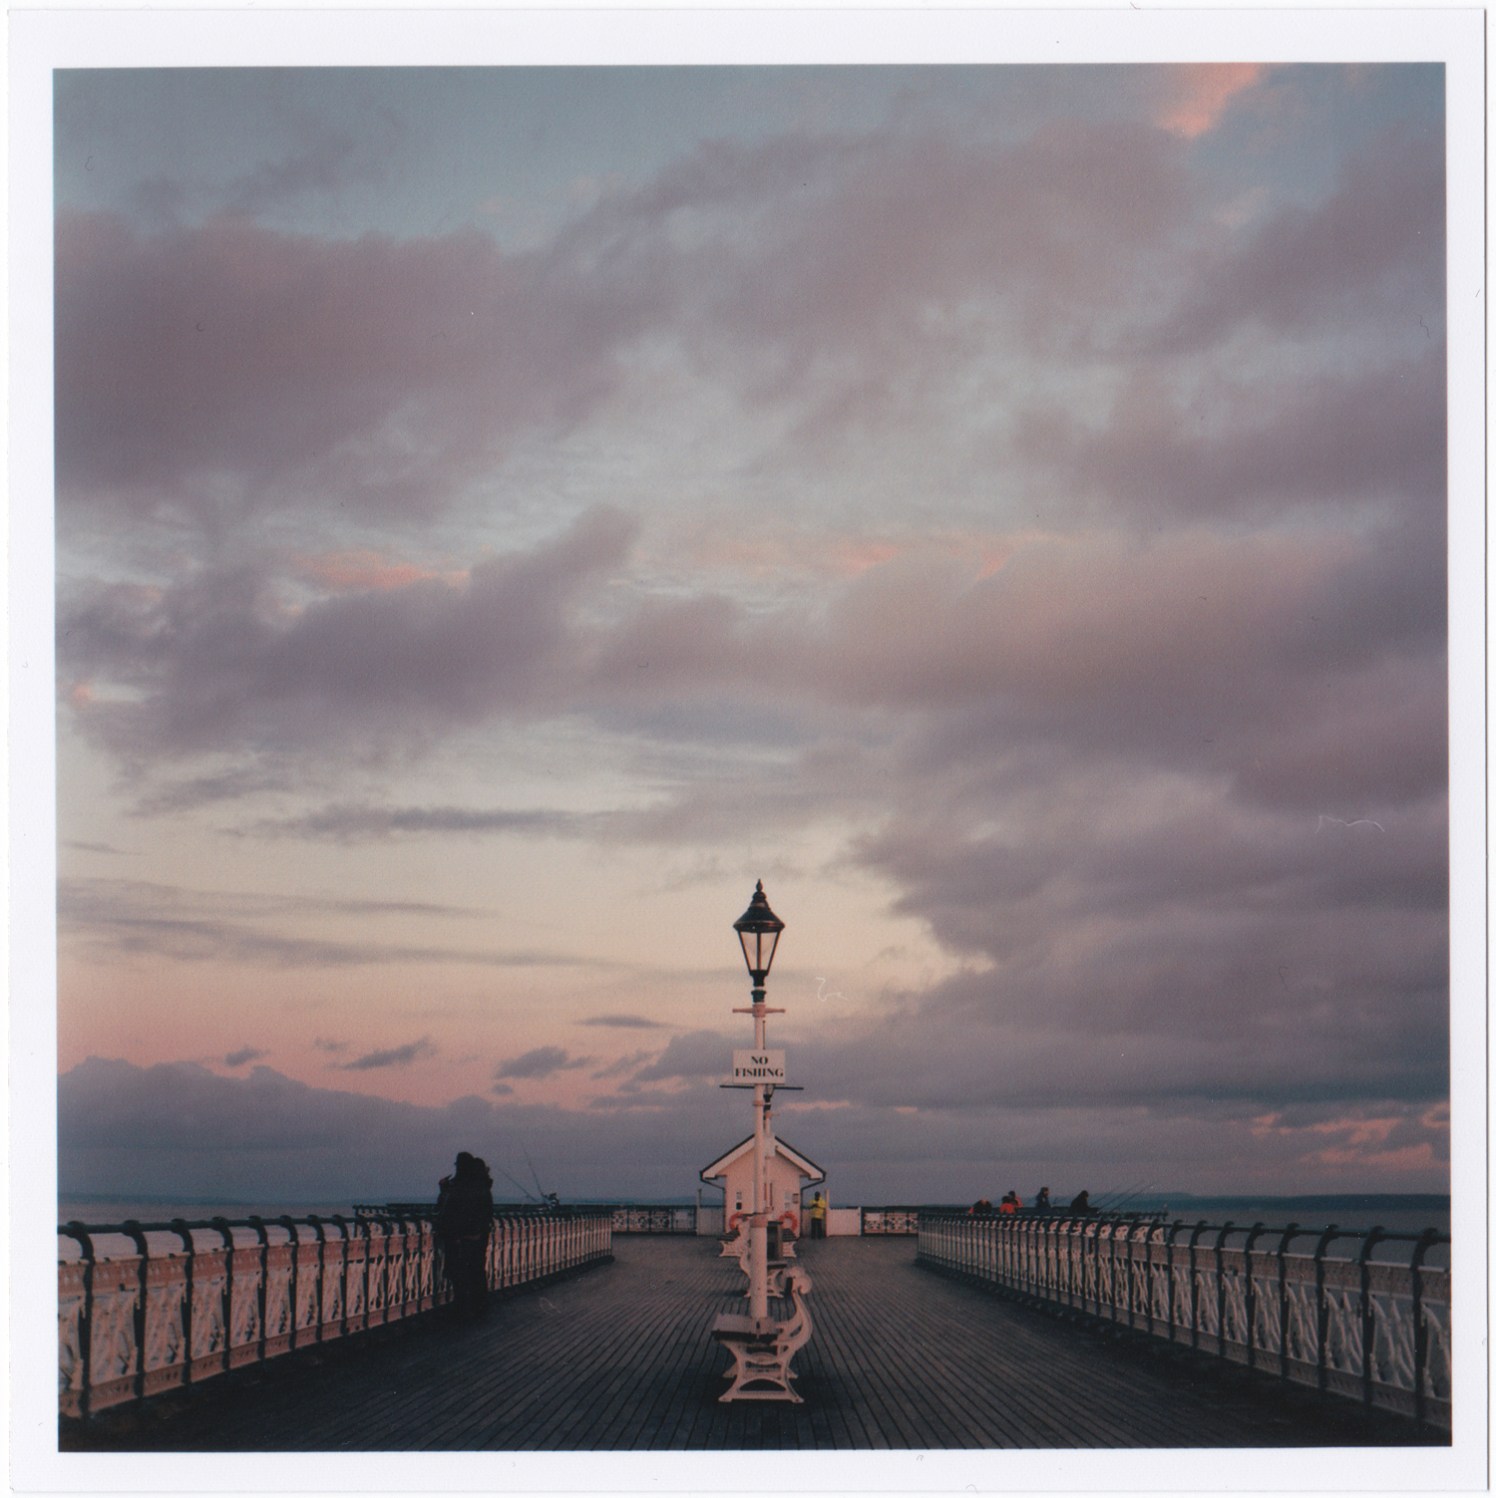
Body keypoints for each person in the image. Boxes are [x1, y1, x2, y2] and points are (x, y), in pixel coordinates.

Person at [436, 1151, 494, 1319]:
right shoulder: (482, 1186)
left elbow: (447, 1209)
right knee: (476, 1272)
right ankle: (478, 1307)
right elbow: (487, 1212)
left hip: (460, 1238)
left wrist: (444, 1190)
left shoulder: (460, 1187)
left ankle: (464, 1309)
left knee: (460, 1274)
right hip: (478, 1236)